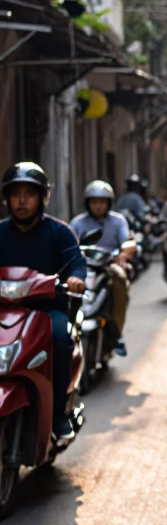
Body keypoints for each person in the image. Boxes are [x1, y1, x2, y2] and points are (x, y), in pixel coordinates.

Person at [0, 162, 86, 439]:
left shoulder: (59, 232)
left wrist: (76, 279)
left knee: (61, 339)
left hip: (47, 309)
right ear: (7, 198)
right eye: (15, 194)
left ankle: (58, 411)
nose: (22, 201)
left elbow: (76, 263)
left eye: (29, 194)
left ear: (42, 198)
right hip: (4, 310)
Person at [70, 181, 135, 353]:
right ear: (88, 203)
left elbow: (128, 242)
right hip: (83, 268)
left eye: (102, 201)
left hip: (108, 266)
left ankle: (117, 332)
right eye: (94, 201)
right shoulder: (78, 222)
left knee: (120, 278)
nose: (98, 205)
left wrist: (123, 255)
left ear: (108, 203)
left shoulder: (118, 220)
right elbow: (68, 244)